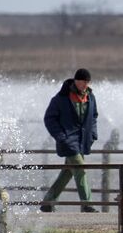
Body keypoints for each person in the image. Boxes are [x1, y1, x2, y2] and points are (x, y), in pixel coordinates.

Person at [40, 68, 99, 212]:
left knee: (68, 172)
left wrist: (93, 135)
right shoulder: (61, 98)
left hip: (82, 141)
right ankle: (87, 204)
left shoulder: (90, 97)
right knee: (80, 168)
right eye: (83, 81)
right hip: (68, 141)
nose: (85, 84)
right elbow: (49, 119)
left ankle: (48, 202)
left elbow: (94, 116)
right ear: (76, 81)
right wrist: (61, 137)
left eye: (87, 82)